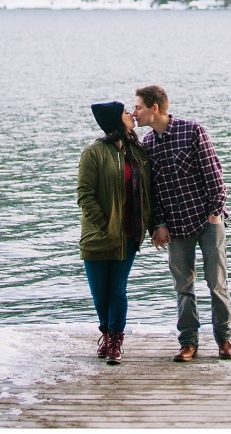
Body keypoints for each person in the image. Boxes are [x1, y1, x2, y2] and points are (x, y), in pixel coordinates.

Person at [134, 84, 231, 363]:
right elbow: (151, 190)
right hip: (175, 226)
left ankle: (224, 340)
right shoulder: (147, 145)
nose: (135, 113)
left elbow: (214, 173)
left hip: (207, 220)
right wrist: (159, 224)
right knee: (183, 287)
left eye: (139, 107)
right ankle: (188, 343)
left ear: (154, 109)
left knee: (216, 283)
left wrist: (215, 212)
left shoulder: (192, 131)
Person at [77, 101, 152, 365]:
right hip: (98, 237)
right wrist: (104, 224)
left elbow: (148, 194)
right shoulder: (94, 153)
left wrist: (152, 225)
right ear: (115, 121)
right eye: (125, 112)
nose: (131, 114)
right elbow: (85, 195)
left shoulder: (138, 152)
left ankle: (115, 340)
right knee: (100, 292)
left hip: (129, 235)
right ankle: (106, 333)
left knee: (118, 289)